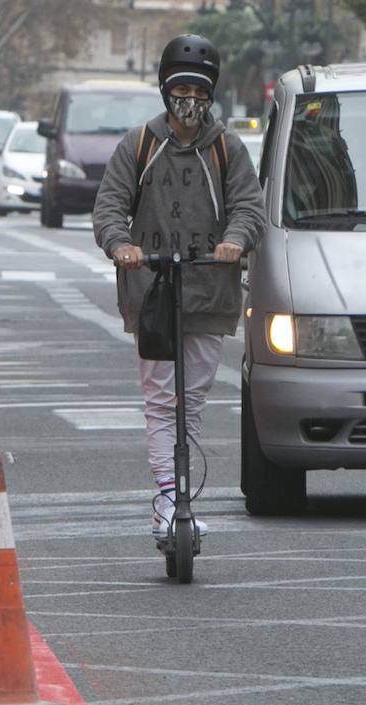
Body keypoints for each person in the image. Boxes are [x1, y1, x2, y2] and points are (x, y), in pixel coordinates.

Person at [93, 34, 266, 537]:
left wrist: (234, 242)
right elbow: (109, 207)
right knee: (159, 399)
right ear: (165, 91)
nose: (189, 98)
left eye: (198, 89)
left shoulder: (228, 149)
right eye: (180, 87)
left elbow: (248, 209)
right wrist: (120, 246)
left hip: (210, 292)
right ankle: (167, 499)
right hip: (151, 293)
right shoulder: (139, 144)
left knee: (191, 400)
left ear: (211, 94)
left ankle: (180, 494)